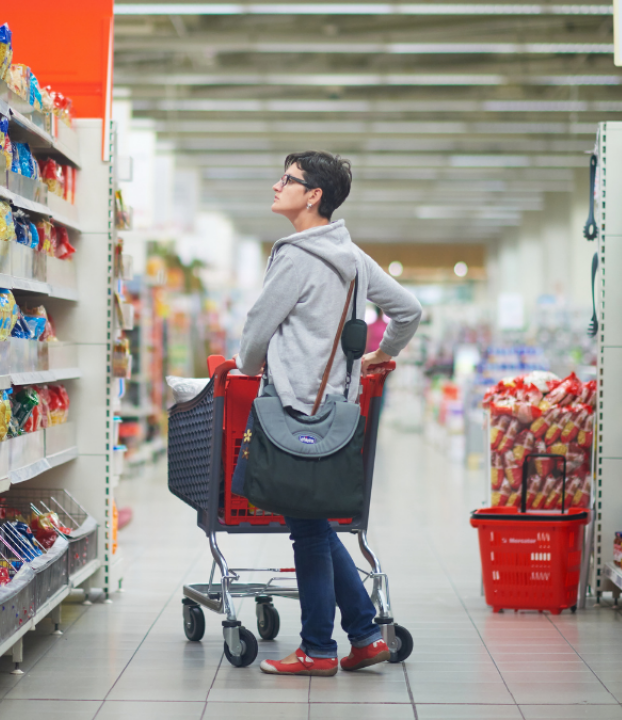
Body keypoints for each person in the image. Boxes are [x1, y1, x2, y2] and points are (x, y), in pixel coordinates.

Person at [234, 151, 422, 676]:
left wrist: (247, 366)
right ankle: (363, 635)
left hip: (292, 409)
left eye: (287, 179)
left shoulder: (295, 255)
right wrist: (382, 356)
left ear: (313, 195)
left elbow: (257, 328)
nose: (277, 185)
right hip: (336, 412)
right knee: (313, 522)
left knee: (308, 530)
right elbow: (409, 311)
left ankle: (318, 650)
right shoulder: (352, 257)